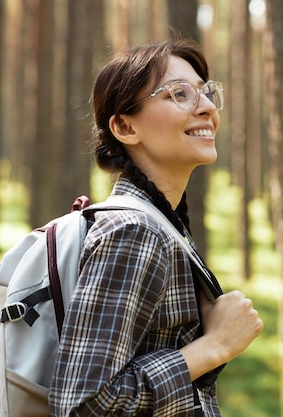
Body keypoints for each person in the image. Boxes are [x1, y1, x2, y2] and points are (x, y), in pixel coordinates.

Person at [49, 39, 263, 417]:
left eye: (207, 92)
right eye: (179, 94)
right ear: (125, 126)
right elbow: (84, 405)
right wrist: (213, 347)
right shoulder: (134, 231)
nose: (208, 107)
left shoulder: (161, 225)